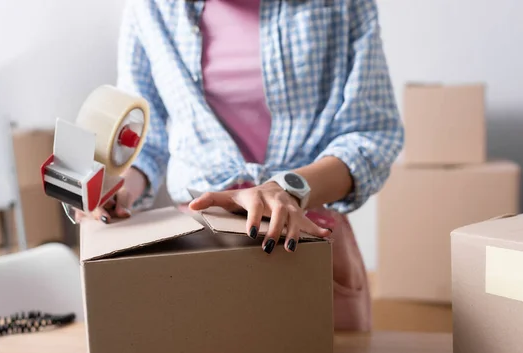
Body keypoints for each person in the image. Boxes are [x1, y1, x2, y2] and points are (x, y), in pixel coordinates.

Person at [76, 0, 404, 331]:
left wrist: (289, 190)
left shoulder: (343, 5)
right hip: (198, 250)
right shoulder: (151, 8)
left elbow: (371, 133)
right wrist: (117, 191)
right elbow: (147, 140)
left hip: (308, 242)